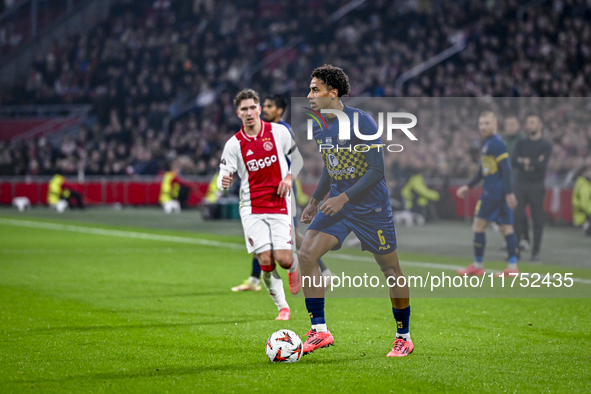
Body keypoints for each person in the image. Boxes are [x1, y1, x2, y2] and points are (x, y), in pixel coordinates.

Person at [298, 65, 413, 357]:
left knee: (390, 269)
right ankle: (319, 330)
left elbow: (377, 170)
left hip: (370, 207)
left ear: (332, 93)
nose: (309, 95)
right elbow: (331, 164)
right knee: (307, 255)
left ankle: (404, 336)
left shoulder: (361, 122)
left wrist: (344, 198)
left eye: (315, 89)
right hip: (338, 202)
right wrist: (315, 199)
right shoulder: (318, 125)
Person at [231, 94, 333, 292]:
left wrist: (286, 179)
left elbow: (294, 159)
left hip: (281, 191)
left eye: (269, 106)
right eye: (264, 106)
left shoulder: (282, 130)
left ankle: (324, 271)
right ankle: (254, 279)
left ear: (279, 111)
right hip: (266, 189)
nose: (264, 109)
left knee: (293, 235)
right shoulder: (266, 130)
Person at [218, 89, 301, 321]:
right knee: (265, 260)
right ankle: (283, 307)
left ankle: (294, 269)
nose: (249, 112)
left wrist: (288, 178)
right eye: (244, 109)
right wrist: (223, 182)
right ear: (238, 113)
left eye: (253, 107)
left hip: (280, 204)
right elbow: (223, 174)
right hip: (252, 208)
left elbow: (298, 159)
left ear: (258, 109)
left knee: (284, 259)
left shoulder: (279, 132)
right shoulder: (234, 144)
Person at [456, 112, 519, 276]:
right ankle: (512, 267)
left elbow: (506, 168)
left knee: (478, 225)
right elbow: (484, 171)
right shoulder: (490, 143)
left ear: (495, 125)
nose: (483, 127)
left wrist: (510, 192)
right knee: (506, 228)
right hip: (500, 191)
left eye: (487, 123)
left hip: (493, 192)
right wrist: (468, 186)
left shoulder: (495, 143)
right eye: (481, 124)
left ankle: (478, 265)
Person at [511, 115, 553, 262]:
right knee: (516, 217)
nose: (529, 125)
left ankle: (535, 253)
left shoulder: (546, 146)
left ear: (540, 125)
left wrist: (525, 161)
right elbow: (514, 161)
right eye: (528, 122)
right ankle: (515, 251)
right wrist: (533, 162)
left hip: (536, 186)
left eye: (533, 122)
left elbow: (542, 165)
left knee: (537, 220)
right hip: (520, 184)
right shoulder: (521, 143)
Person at [502, 116, 529, 251]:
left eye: (513, 124)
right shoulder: (502, 140)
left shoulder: (523, 140)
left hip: (520, 180)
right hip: (505, 180)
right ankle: (509, 239)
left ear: (518, 126)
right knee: (507, 211)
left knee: (519, 211)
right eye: (508, 125)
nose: (510, 127)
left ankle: (524, 239)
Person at [572, 166, 591, 236]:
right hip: (584, 216)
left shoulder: (582, 183)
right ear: (584, 173)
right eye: (589, 171)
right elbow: (585, 204)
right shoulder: (584, 185)